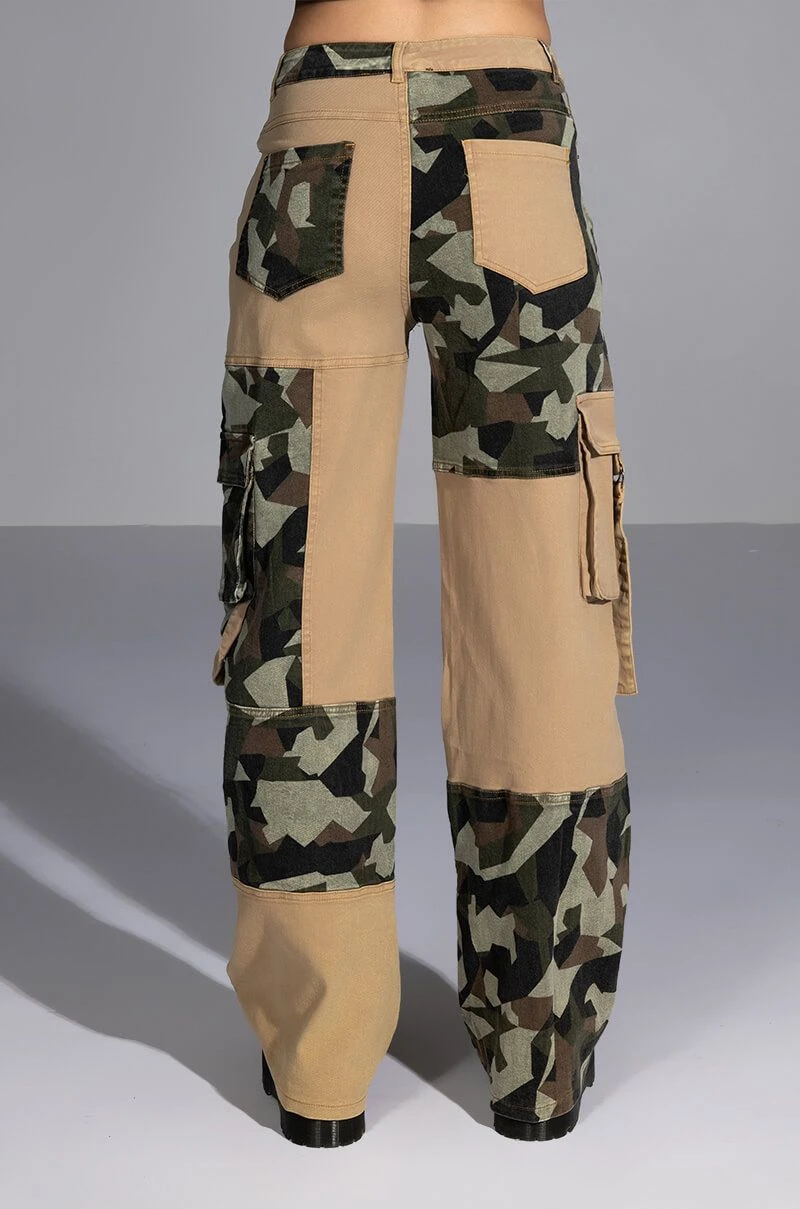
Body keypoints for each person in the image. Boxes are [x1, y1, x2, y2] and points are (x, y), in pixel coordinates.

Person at [211, 0, 639, 1148]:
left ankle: (319, 1070)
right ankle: (537, 1069)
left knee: (301, 603)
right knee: (542, 599)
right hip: (506, 122)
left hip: (325, 131)